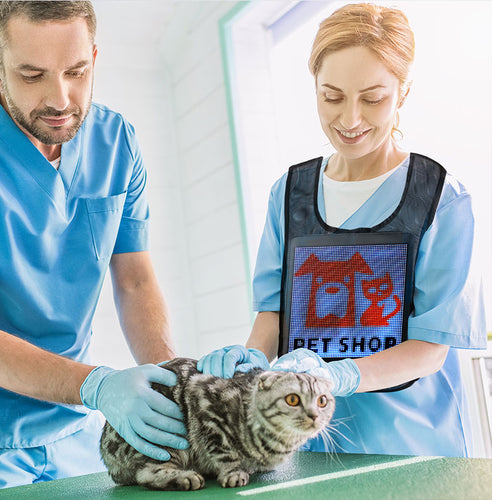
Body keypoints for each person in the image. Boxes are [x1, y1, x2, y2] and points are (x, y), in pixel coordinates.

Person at [198, 3, 486, 457]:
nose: (350, 120)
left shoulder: (442, 199)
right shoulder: (289, 194)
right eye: (331, 97)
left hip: (412, 449)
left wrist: (340, 375)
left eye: (373, 99)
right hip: (303, 448)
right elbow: (273, 317)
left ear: (404, 92)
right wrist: (250, 362)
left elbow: (431, 349)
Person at [0, 1, 188, 490]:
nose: (60, 99)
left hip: (77, 431)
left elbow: (136, 280)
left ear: (95, 59)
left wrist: (174, 385)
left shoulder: (116, 142)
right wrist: (96, 385)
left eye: (76, 72)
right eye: (32, 76)